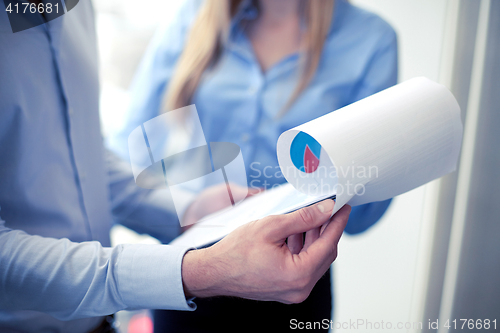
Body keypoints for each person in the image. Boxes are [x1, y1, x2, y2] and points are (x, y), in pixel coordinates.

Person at [0, 1, 351, 333]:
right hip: (190, 274)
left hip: (106, 317)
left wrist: (188, 208)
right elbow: (134, 143)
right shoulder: (196, 15)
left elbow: (85, 157)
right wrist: (197, 269)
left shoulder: (73, 10)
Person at [109, 0, 398, 331]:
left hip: (293, 283)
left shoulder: (371, 39)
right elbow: (126, 156)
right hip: (194, 268)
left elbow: (364, 213)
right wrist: (184, 208)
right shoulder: (196, 15)